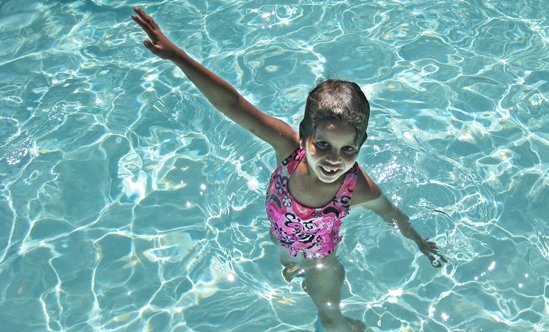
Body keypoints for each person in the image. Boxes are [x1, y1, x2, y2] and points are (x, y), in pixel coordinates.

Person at [131, 7, 446, 332]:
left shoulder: (356, 188)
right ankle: (296, 270)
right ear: (305, 134)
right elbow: (232, 104)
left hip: (322, 260)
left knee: (329, 319)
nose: (334, 160)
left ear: (360, 145)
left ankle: (351, 327)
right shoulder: (288, 149)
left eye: (347, 150)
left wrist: (420, 243)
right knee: (290, 265)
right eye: (322, 144)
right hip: (282, 240)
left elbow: (390, 213)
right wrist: (177, 56)